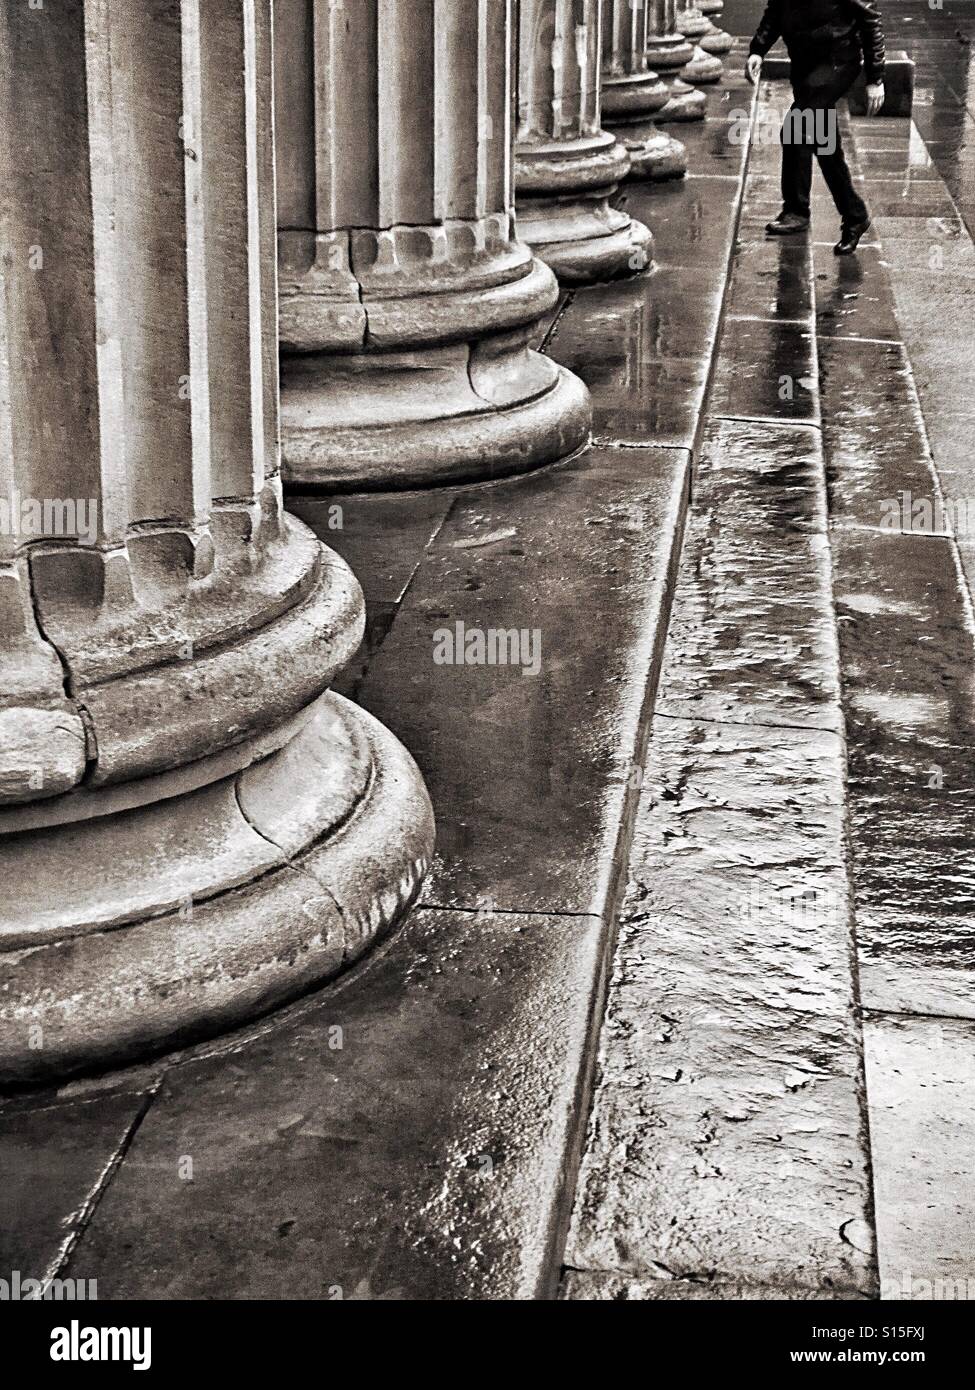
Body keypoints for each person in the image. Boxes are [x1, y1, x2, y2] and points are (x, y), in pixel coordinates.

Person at [745, 1, 886, 255]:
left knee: (796, 129)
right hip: (804, 64)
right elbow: (776, 10)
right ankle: (852, 215)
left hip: (837, 62)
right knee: (825, 143)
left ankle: (799, 210)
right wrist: (758, 49)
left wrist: (875, 77)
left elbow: (870, 20)